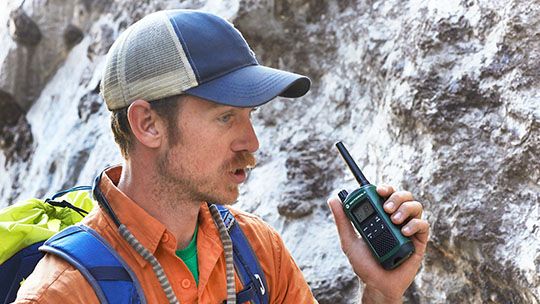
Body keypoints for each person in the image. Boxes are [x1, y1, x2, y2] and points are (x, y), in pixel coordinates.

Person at [15, 9, 429, 304]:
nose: (251, 141)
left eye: (250, 116)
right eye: (225, 116)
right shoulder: (63, 293)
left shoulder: (257, 250)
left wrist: (381, 293)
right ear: (148, 124)